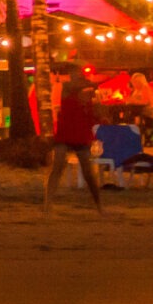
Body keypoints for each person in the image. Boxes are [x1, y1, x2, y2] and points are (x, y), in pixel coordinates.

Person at [43, 67, 104, 213]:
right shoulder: (67, 92)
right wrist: (91, 83)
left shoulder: (85, 98)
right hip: (66, 135)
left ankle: (99, 206)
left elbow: (95, 117)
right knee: (57, 168)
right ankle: (47, 205)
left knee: (87, 173)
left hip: (79, 136)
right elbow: (73, 86)